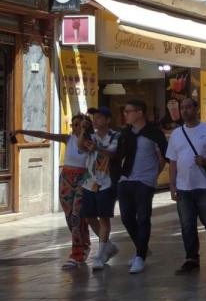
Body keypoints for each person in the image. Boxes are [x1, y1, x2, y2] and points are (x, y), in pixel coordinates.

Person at [13, 114, 93, 269]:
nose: (75, 128)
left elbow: (86, 150)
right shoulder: (68, 139)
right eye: (74, 125)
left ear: (86, 126)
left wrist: (85, 132)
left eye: (79, 125)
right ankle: (84, 244)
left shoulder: (90, 142)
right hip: (66, 180)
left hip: (82, 180)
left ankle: (77, 254)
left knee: (76, 215)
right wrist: (21, 131)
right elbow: (44, 135)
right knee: (70, 218)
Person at [167, 97, 206, 274]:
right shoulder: (176, 134)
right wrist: (172, 185)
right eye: (182, 108)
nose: (185, 110)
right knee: (187, 224)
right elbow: (172, 162)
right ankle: (191, 258)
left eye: (188, 107)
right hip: (183, 187)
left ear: (196, 109)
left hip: (205, 186)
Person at [112, 100, 167, 274]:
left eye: (128, 111)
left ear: (140, 112)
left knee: (143, 217)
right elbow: (118, 156)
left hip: (145, 181)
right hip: (125, 179)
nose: (125, 114)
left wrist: (154, 174)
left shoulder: (154, 132)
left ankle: (140, 256)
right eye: (125, 111)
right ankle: (142, 247)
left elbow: (165, 156)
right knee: (126, 217)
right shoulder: (125, 133)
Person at [79, 107, 120, 270]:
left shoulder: (115, 136)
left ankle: (100, 254)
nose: (95, 120)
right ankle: (108, 246)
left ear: (108, 120)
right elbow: (80, 147)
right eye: (94, 117)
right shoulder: (91, 136)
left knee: (104, 218)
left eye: (99, 117)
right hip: (89, 183)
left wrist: (97, 148)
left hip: (107, 183)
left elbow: (112, 152)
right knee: (89, 217)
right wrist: (83, 130)